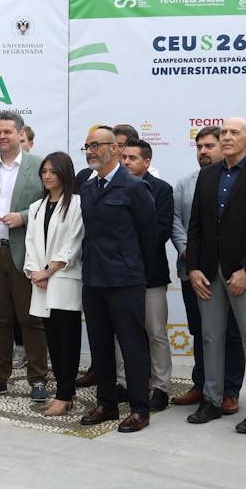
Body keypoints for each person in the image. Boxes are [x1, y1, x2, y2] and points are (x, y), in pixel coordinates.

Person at [186, 116, 246, 434]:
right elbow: (196, 225)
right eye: (224, 131)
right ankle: (211, 401)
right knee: (211, 338)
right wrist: (194, 268)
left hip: (245, 275)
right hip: (208, 273)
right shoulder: (208, 174)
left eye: (234, 132)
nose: (227, 136)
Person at [77, 126, 157, 433]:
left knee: (132, 346)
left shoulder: (134, 186)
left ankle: (140, 408)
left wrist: (135, 271)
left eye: (96, 145)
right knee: (100, 346)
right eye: (87, 146)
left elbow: (149, 237)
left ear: (114, 149)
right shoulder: (88, 186)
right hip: (93, 279)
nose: (90, 151)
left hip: (125, 281)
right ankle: (107, 403)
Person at [0, 109, 49, 399]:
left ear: (21, 134)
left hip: (26, 254)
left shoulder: (38, 164)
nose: (2, 136)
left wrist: (24, 217)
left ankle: (38, 379)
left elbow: (50, 202)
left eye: (7, 131)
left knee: (31, 320)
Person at [170, 127, 246, 411]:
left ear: (223, 146)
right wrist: (189, 253)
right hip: (192, 270)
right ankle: (201, 385)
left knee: (233, 333)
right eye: (199, 146)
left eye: (209, 146)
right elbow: (176, 220)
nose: (203, 151)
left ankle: (230, 391)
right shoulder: (185, 183)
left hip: (229, 272)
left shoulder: (241, 180)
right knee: (201, 331)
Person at [24, 151, 83, 417]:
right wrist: (35, 272)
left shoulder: (77, 204)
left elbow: (73, 244)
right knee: (53, 341)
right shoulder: (36, 207)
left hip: (64, 279)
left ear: (64, 174)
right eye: (44, 172)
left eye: (53, 172)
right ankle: (63, 391)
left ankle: (64, 395)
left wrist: (48, 271)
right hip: (42, 282)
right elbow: (30, 243)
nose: (47, 176)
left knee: (68, 340)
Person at [121, 137, 175, 412]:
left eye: (132, 158)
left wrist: (126, 245)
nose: (126, 162)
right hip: (119, 275)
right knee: (122, 333)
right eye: (124, 157)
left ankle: (161, 387)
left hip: (150, 274)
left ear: (147, 162)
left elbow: (160, 230)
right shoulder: (114, 186)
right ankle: (123, 383)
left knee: (156, 333)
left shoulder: (162, 189)